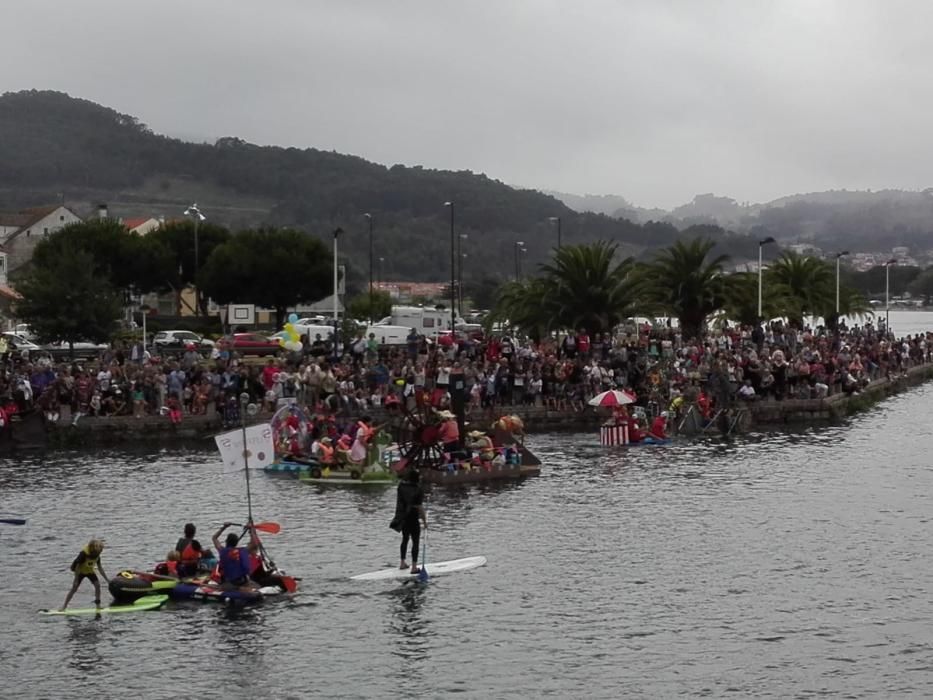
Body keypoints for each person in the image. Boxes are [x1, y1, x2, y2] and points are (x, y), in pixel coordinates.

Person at [391, 469, 427, 574]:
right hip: (413, 518)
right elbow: (419, 507)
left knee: (405, 539)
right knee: (415, 542)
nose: (421, 477)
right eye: (419, 476)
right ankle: (414, 567)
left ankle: (402, 563)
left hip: (404, 518)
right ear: (416, 478)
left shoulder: (401, 487)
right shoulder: (418, 489)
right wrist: (424, 522)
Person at [61, 539, 108, 611]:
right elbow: (77, 567)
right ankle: (64, 607)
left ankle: (98, 606)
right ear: (94, 549)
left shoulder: (97, 556)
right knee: (74, 588)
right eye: (99, 550)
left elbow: (100, 568)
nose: (100, 552)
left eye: (101, 551)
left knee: (97, 585)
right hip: (80, 572)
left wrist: (107, 580)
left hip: (90, 572)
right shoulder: (83, 554)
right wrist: (76, 580)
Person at [212, 523, 253, 588]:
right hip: (243, 580)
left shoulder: (222, 551)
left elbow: (214, 538)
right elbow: (253, 543)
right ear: (236, 543)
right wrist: (251, 530)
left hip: (231, 581)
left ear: (226, 541)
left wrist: (224, 527)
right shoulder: (242, 551)